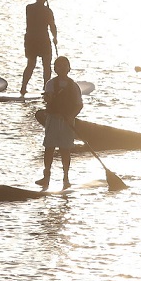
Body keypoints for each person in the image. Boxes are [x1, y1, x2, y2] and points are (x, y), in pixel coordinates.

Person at [40, 55, 83, 189]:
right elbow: (48, 99)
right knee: (49, 148)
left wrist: (72, 116)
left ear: (69, 68)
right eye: (59, 66)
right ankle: (46, 177)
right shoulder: (51, 84)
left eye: (65, 65)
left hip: (67, 121)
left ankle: (66, 178)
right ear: (55, 69)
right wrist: (49, 99)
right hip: (53, 119)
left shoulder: (74, 86)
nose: (62, 68)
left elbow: (79, 105)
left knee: (65, 150)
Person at [20, 0, 57, 97]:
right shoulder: (48, 11)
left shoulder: (29, 8)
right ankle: (46, 87)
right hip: (42, 39)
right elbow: (52, 26)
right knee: (46, 64)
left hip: (30, 39)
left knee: (31, 64)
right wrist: (55, 37)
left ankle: (23, 87)